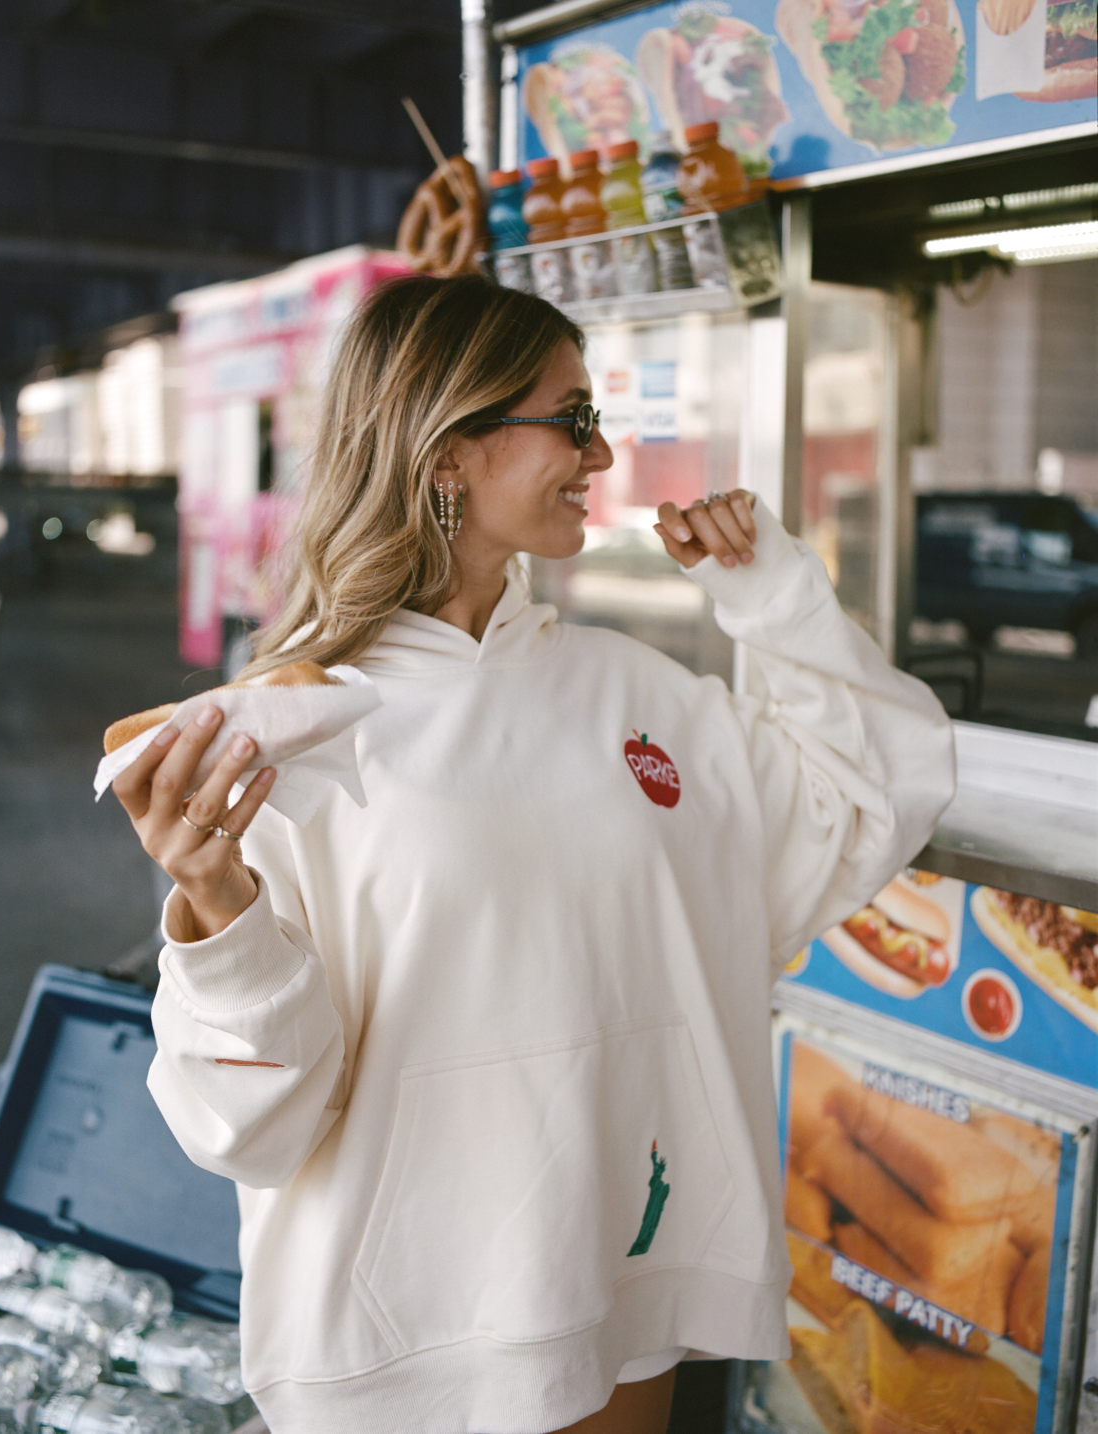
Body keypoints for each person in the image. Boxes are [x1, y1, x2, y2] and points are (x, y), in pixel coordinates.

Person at [115, 276, 954, 1434]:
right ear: (449, 451)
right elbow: (246, 1123)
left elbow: (869, 791)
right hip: (400, 1334)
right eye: (570, 419)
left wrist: (773, 597)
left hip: (622, 1286)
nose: (601, 453)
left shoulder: (635, 694)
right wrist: (212, 898)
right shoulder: (282, 732)